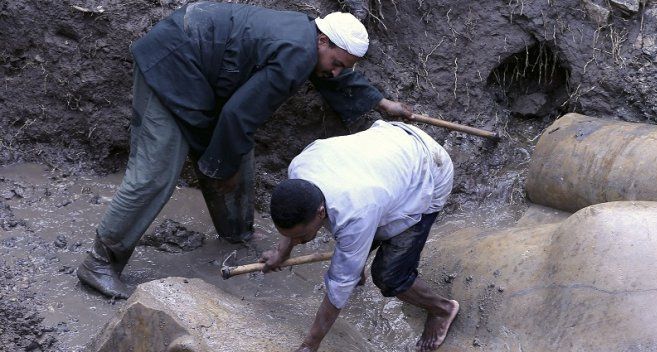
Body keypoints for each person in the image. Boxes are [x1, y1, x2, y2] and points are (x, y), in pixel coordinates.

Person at [77, 1, 412, 299]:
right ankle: (100, 262)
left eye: (344, 67)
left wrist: (382, 103)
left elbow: (329, 76)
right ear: (323, 41)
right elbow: (238, 115)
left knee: (236, 151)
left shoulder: (308, 37)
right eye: (337, 62)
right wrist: (226, 168)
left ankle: (236, 236)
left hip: (203, 73)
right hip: (171, 63)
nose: (335, 71)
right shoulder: (298, 54)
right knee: (156, 174)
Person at [261, 120, 459, 352]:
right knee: (353, 245)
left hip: (428, 170)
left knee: (389, 276)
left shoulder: (355, 210)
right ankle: (357, 262)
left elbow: (338, 285)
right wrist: (282, 251)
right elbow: (295, 213)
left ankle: (442, 309)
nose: (297, 242)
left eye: (301, 237)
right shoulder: (299, 170)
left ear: (320, 212)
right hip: (388, 150)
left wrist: (310, 346)